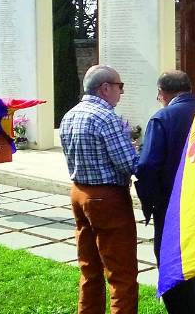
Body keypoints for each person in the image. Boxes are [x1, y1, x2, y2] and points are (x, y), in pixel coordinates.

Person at [59, 65, 139, 314]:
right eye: (119, 86)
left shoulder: (70, 114)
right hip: (107, 198)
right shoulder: (106, 117)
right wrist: (140, 152)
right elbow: (129, 163)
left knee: (89, 268)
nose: (121, 92)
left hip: (79, 193)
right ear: (105, 88)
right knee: (121, 273)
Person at [136, 70, 195, 314]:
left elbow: (148, 166)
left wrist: (150, 204)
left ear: (162, 93)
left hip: (173, 208)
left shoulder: (163, 118)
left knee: (174, 268)